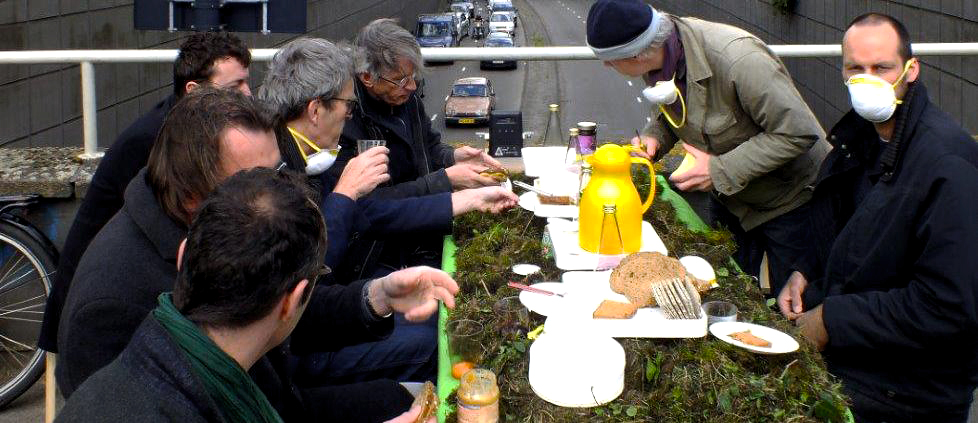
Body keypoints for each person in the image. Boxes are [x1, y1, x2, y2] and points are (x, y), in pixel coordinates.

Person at [56, 88, 457, 421]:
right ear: (197, 195)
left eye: (279, 171)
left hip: (276, 396)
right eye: (259, 180)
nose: (282, 189)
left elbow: (278, 304)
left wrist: (375, 297)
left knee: (397, 397)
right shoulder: (110, 307)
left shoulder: (206, 229)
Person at [257, 37, 516, 385]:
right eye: (346, 107)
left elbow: (427, 152)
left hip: (324, 303)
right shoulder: (284, 169)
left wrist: (454, 169)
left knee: (433, 313)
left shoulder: (295, 150)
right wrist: (347, 194)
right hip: (299, 342)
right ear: (316, 110)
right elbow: (321, 260)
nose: (349, 114)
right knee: (434, 339)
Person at [773, 13, 978, 422]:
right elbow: (849, 230)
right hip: (858, 361)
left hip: (909, 391)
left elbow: (950, 307)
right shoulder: (862, 140)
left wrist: (832, 319)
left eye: (881, 68)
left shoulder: (947, 164)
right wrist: (806, 270)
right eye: (855, 68)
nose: (867, 80)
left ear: (911, 70)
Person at [585, 0, 830, 294]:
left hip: (791, 201)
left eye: (612, 60)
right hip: (732, 198)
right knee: (734, 292)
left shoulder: (739, 59)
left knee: (793, 304)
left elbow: (796, 132)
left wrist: (718, 170)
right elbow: (676, 108)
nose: (607, 66)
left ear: (638, 53)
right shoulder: (663, 53)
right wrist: (656, 137)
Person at [39, 31, 252, 353]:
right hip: (100, 299)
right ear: (194, 91)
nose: (248, 94)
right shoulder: (154, 139)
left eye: (247, 82)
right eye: (235, 86)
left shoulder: (184, 125)